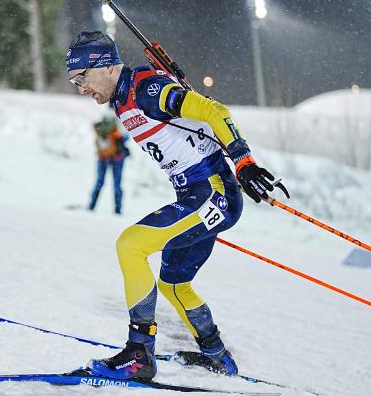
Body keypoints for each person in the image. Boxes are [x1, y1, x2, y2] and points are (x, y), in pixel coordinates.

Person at [66, 31, 286, 381]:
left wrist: (244, 161)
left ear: (105, 67)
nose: (81, 88)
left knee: (131, 245)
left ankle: (139, 354)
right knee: (174, 283)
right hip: (195, 195)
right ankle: (217, 356)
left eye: (82, 78)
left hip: (213, 191)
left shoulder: (145, 89)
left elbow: (214, 110)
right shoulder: (123, 96)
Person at [88, 114, 129, 214]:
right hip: (117, 157)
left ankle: (91, 206)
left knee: (99, 181)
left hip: (102, 156)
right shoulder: (121, 119)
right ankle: (118, 210)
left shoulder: (104, 119)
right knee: (117, 183)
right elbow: (126, 137)